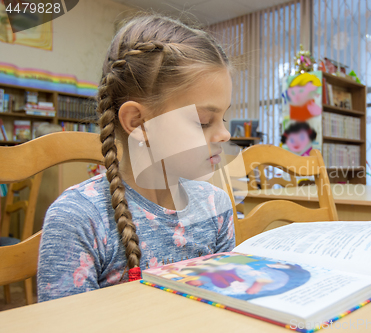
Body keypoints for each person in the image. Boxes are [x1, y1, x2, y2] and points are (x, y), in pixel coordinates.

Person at [37, 14, 235, 302]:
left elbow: (227, 304)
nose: (225, 134)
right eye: (204, 121)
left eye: (224, 117)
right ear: (139, 123)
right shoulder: (79, 219)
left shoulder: (215, 206)